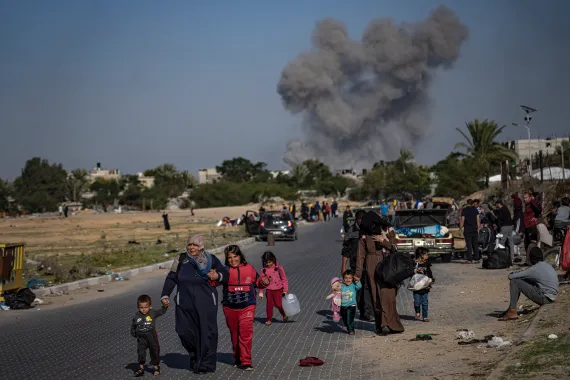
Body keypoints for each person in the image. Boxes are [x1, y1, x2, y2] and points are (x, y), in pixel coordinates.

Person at [160, 234, 229, 374]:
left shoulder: (211, 259)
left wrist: (218, 276)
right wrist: (165, 294)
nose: (192, 247)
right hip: (184, 302)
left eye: (195, 245)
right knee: (183, 331)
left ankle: (206, 364)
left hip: (206, 302)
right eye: (190, 244)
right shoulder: (181, 259)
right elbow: (172, 277)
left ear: (201, 246)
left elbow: (225, 275)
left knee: (207, 333)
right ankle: (195, 356)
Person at [213, 245, 270, 371]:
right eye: (230, 258)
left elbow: (258, 281)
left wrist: (264, 281)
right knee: (235, 335)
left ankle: (246, 361)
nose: (233, 260)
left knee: (245, 334)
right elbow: (213, 282)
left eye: (235, 256)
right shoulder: (224, 271)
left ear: (240, 256)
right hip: (230, 308)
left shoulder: (249, 268)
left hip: (248, 307)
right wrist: (212, 276)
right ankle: (238, 357)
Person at [354, 211, 404, 335]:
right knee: (376, 295)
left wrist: (383, 241)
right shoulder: (364, 233)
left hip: (387, 265)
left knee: (388, 295)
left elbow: (395, 248)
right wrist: (358, 273)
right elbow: (361, 255)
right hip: (371, 264)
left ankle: (392, 324)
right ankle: (382, 325)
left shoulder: (387, 229)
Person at [498, 245, 559, 321]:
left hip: (545, 298)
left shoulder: (534, 269)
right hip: (552, 296)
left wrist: (517, 273)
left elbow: (511, 276)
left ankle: (512, 311)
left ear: (531, 258)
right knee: (524, 280)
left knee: (515, 282)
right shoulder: (547, 265)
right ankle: (511, 308)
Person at [341, 210, 374, 321]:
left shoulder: (368, 229)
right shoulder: (351, 231)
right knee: (359, 290)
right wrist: (343, 267)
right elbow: (346, 250)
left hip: (368, 263)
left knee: (367, 287)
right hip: (355, 265)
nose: (362, 222)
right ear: (357, 219)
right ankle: (362, 311)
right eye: (361, 219)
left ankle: (368, 312)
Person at [131, 294, 168, 377]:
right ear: (138, 307)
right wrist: (134, 333)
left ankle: (156, 367)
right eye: (141, 307)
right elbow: (133, 325)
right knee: (141, 353)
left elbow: (161, 311)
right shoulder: (136, 316)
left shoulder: (153, 313)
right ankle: (141, 368)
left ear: (150, 306)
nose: (144, 309)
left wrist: (165, 305)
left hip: (151, 336)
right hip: (141, 338)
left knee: (154, 352)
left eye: (146, 307)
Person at [258, 251, 289, 325]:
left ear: (273, 259)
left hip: (279, 289)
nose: (268, 264)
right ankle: (269, 319)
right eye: (266, 262)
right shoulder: (264, 270)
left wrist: (285, 290)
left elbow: (284, 279)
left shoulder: (279, 268)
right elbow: (261, 282)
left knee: (279, 304)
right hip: (269, 290)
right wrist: (261, 292)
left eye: (270, 262)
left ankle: (284, 315)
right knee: (269, 305)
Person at [412, 248, 434, 322]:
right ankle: (417, 311)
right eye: (426, 255)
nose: (427, 256)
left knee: (425, 302)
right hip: (416, 286)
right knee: (417, 302)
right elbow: (410, 273)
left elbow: (429, 272)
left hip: (425, 285)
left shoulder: (426, 263)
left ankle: (425, 316)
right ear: (421, 255)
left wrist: (431, 279)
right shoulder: (414, 263)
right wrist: (415, 271)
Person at [340, 269, 362, 335]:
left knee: (350, 319)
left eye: (350, 278)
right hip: (343, 306)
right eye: (346, 278)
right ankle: (348, 327)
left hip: (351, 306)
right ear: (343, 279)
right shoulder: (342, 286)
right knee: (344, 319)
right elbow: (336, 289)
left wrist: (356, 279)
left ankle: (351, 330)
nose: (348, 280)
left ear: (352, 279)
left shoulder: (353, 286)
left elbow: (359, 286)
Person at [461, 199, 481, 263]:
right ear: (472, 203)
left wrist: (460, 228)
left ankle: (469, 259)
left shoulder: (464, 210)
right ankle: (477, 258)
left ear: (467, 203)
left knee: (469, 244)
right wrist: (478, 228)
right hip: (474, 229)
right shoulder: (475, 210)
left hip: (467, 229)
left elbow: (462, 220)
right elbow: (478, 220)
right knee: (475, 244)